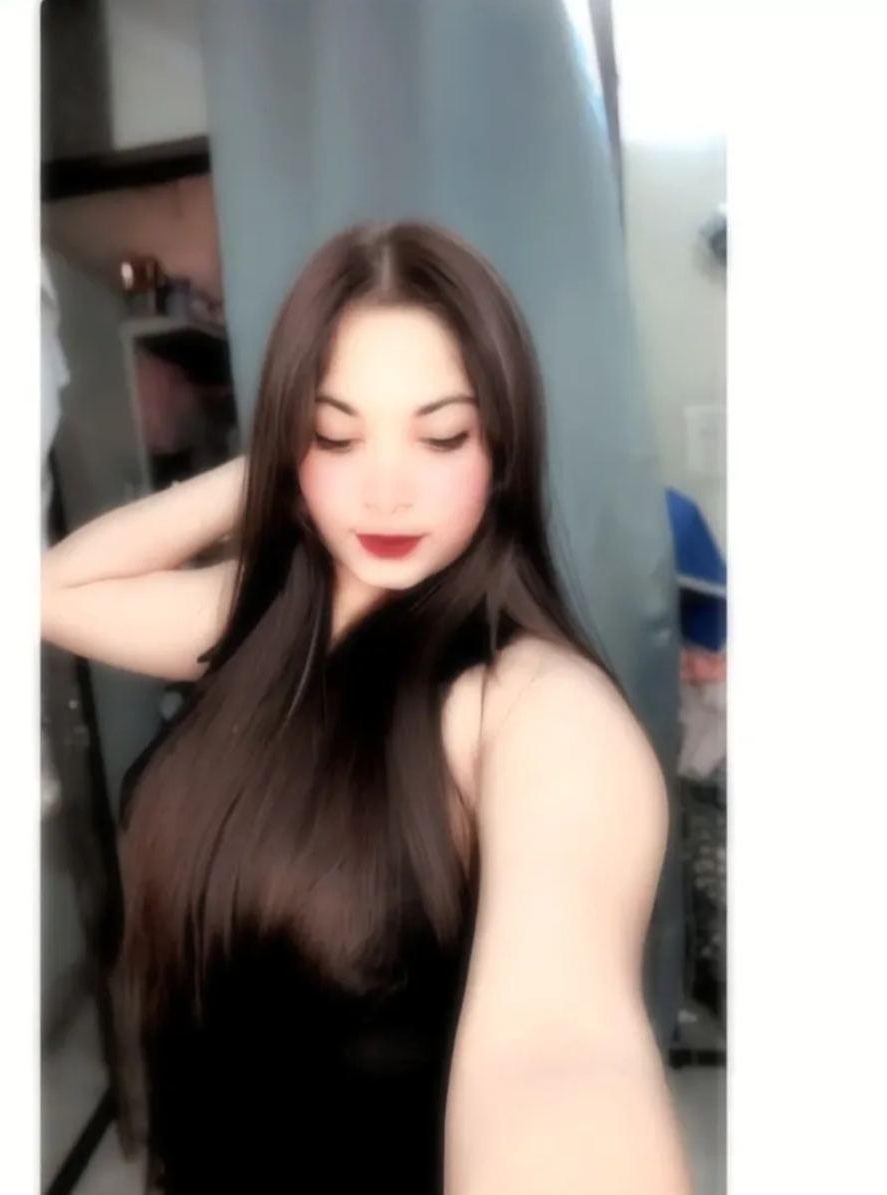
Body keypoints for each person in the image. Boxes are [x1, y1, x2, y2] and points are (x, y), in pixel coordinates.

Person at [41, 221, 690, 1195]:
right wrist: (274, 463)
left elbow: (562, 1054)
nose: (385, 490)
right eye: (339, 435)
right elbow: (54, 591)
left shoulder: (534, 708)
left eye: (442, 435)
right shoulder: (264, 618)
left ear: (504, 447)